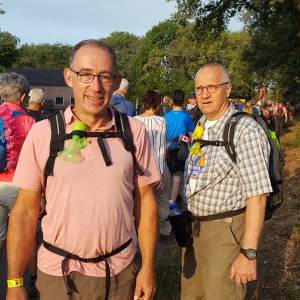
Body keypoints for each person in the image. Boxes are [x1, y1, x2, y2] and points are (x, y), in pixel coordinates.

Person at [6, 39, 160, 300]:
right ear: (69, 77)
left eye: (105, 76)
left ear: (116, 80)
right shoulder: (43, 133)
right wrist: (14, 282)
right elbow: (25, 212)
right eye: (86, 75)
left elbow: (145, 204)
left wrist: (147, 267)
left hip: (120, 274)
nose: (96, 86)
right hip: (59, 276)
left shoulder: (134, 132)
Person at [181, 63, 272, 300]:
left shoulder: (244, 129)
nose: (205, 94)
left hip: (225, 232)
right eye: (199, 88)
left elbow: (259, 195)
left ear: (228, 89)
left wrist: (248, 253)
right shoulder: (201, 124)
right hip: (194, 231)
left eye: (212, 87)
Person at [135, 90, 171, 237]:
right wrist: (161, 173)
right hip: (157, 166)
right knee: (161, 199)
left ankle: (140, 232)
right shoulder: (161, 121)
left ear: (143, 103)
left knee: (140, 201)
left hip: (139, 168)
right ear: (157, 105)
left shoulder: (133, 120)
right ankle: (162, 229)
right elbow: (160, 148)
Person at [164, 89, 195, 209]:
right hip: (180, 150)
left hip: (166, 149)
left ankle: (166, 200)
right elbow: (192, 135)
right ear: (183, 101)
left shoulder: (165, 116)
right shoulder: (186, 116)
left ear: (172, 101)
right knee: (177, 176)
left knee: (168, 174)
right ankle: (172, 202)